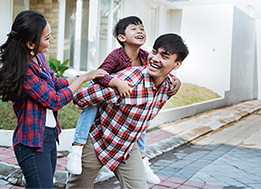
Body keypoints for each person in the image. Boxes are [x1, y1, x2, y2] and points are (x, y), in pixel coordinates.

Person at [0, 10, 107, 189]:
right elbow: (54, 100)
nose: (52, 40)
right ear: (31, 43)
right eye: (47, 38)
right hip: (32, 142)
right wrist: (82, 79)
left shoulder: (39, 58)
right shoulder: (25, 71)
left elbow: (55, 83)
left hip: (48, 136)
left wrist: (85, 76)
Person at [66, 16, 181, 184]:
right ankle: (77, 147)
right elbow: (98, 77)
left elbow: (161, 70)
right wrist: (116, 83)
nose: (155, 58)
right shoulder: (119, 60)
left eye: (142, 28)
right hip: (99, 134)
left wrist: (177, 80)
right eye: (133, 29)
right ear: (122, 37)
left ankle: (143, 160)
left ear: (177, 64)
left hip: (126, 142)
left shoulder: (157, 71)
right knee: (78, 186)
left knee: (141, 126)